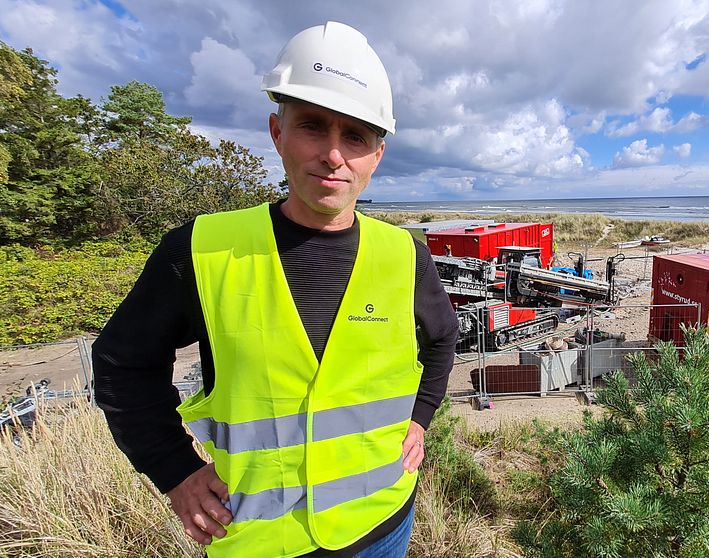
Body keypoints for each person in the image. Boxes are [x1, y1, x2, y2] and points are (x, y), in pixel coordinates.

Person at [93, 22, 458, 558]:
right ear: (277, 132)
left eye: (355, 135)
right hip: (259, 540)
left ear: (376, 156)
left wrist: (420, 419)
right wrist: (176, 472)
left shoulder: (405, 254)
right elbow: (122, 366)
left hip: (383, 521)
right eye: (313, 126)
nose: (334, 155)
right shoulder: (201, 250)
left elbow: (444, 340)